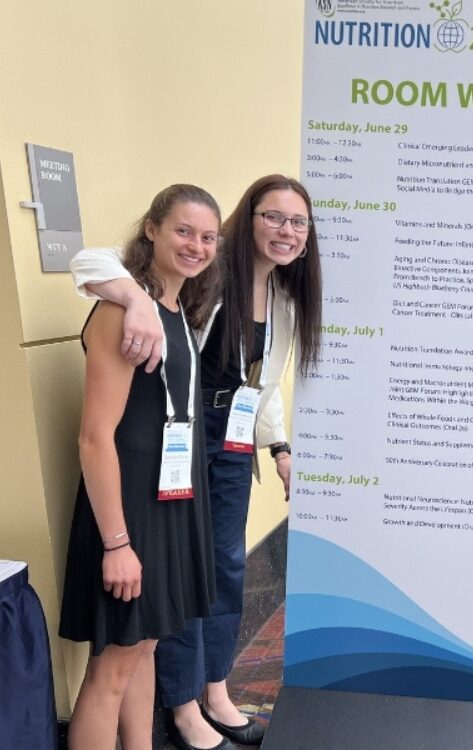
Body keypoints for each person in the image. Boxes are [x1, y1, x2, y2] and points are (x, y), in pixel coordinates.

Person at [69, 175, 322, 749]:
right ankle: (184, 708)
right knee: (151, 615)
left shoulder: (258, 296)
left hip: (220, 447)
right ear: (247, 219)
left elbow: (264, 384)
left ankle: (216, 691)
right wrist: (133, 297)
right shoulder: (193, 284)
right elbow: (90, 262)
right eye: (273, 216)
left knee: (214, 576)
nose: (284, 230)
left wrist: (279, 448)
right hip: (169, 451)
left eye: (297, 222)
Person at [59, 184, 221, 750]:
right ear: (150, 229)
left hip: (167, 507)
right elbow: (94, 438)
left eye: (207, 237)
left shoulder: (172, 311)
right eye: (183, 230)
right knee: (110, 673)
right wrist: (117, 544)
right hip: (128, 517)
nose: (196, 246)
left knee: (145, 649)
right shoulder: (122, 311)